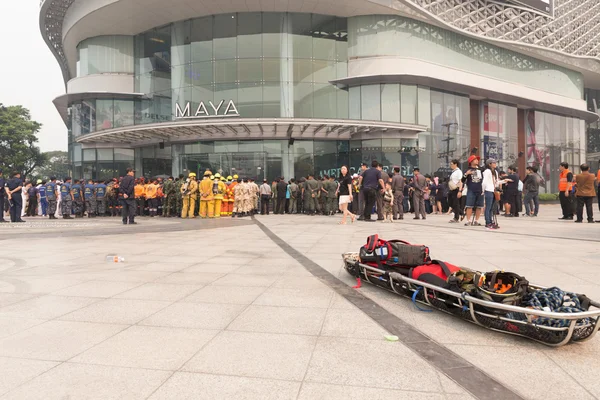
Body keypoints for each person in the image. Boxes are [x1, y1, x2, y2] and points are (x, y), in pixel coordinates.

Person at [462, 155, 484, 226]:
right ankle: (468, 220)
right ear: (471, 161)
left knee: (479, 206)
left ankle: (476, 220)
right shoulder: (468, 170)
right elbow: (462, 180)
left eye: (477, 160)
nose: (477, 161)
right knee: (469, 205)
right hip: (471, 189)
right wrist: (466, 174)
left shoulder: (481, 170)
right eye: (475, 160)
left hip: (480, 189)